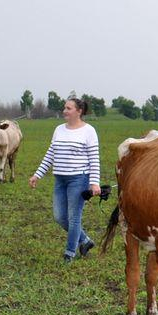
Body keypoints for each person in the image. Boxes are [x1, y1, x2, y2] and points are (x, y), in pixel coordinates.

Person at [29, 98, 101, 262]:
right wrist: (37, 175)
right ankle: (85, 240)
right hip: (60, 179)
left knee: (74, 217)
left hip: (79, 179)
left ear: (79, 111)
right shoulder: (59, 130)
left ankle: (70, 253)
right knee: (59, 216)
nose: (64, 111)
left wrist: (94, 182)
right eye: (64, 108)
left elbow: (94, 159)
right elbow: (50, 155)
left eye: (68, 108)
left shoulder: (89, 131)